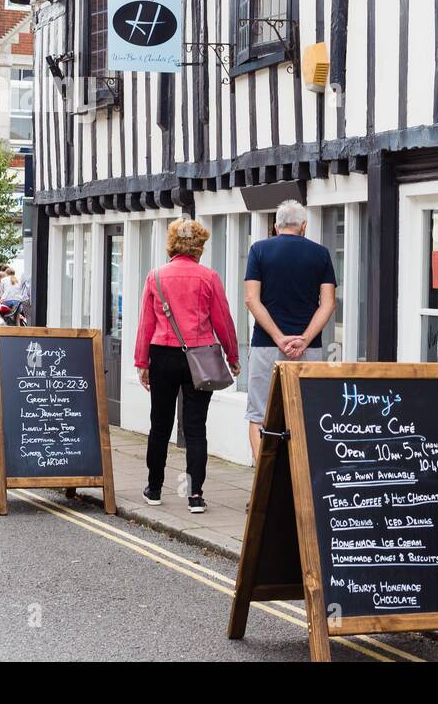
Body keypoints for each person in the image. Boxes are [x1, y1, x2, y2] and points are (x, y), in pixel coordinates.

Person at [136, 218, 241, 513]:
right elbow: (223, 320)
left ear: (172, 244)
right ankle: (194, 495)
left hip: (163, 356)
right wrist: (232, 356)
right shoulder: (209, 277)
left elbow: (146, 323)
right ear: (199, 246)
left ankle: (154, 488)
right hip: (200, 357)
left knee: (160, 425)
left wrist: (142, 362)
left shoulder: (155, 277)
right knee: (195, 429)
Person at [244, 200, 336, 458]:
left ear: (275, 226)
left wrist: (278, 337)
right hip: (308, 350)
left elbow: (252, 299)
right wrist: (304, 339)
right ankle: (301, 488)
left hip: (265, 345)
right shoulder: (321, 254)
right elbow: (328, 303)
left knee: (259, 417)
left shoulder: (259, 250)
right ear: (303, 226)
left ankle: (262, 492)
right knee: (306, 417)